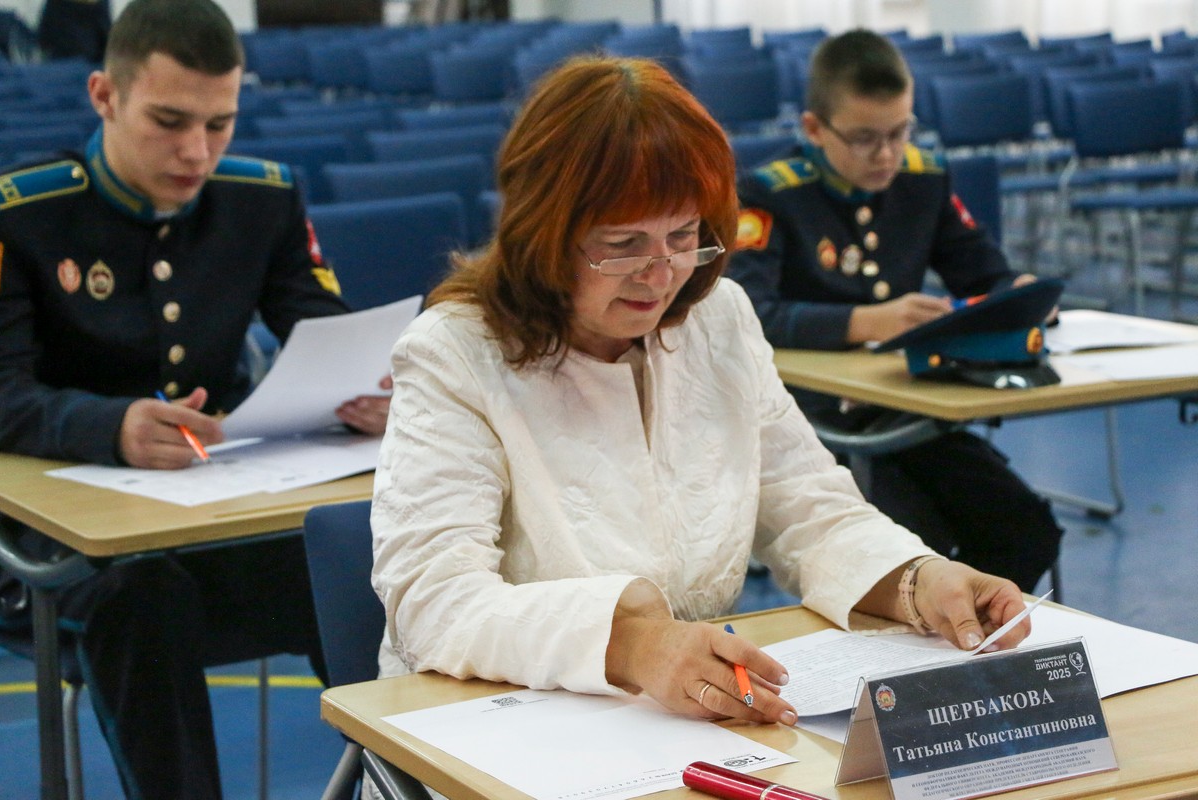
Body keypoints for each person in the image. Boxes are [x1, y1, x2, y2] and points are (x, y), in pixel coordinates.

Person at [370, 55, 1031, 733]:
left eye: (684, 236)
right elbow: (434, 602)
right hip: (496, 729)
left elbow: (809, 507)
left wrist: (918, 580)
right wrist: (632, 646)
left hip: (679, 725)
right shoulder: (455, 351)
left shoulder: (718, 320)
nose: (661, 275)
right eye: (624, 244)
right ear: (544, 235)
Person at [0, 1, 388, 797]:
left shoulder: (262, 200)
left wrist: (363, 386)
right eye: (169, 122)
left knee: (360, 558)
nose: (197, 151)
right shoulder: (22, 215)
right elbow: (2, 393)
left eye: (220, 124)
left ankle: (401, 778)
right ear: (105, 96)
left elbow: (322, 328)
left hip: (216, 515)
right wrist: (109, 426)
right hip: (60, 552)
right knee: (144, 597)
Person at [726, 29, 1062, 593]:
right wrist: (865, 322)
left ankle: (976, 634)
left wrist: (1017, 294)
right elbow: (748, 313)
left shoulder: (923, 180)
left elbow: (982, 273)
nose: (886, 154)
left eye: (899, 132)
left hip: (909, 404)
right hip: (816, 419)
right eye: (863, 138)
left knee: (1024, 530)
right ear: (814, 129)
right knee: (911, 547)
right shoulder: (770, 194)